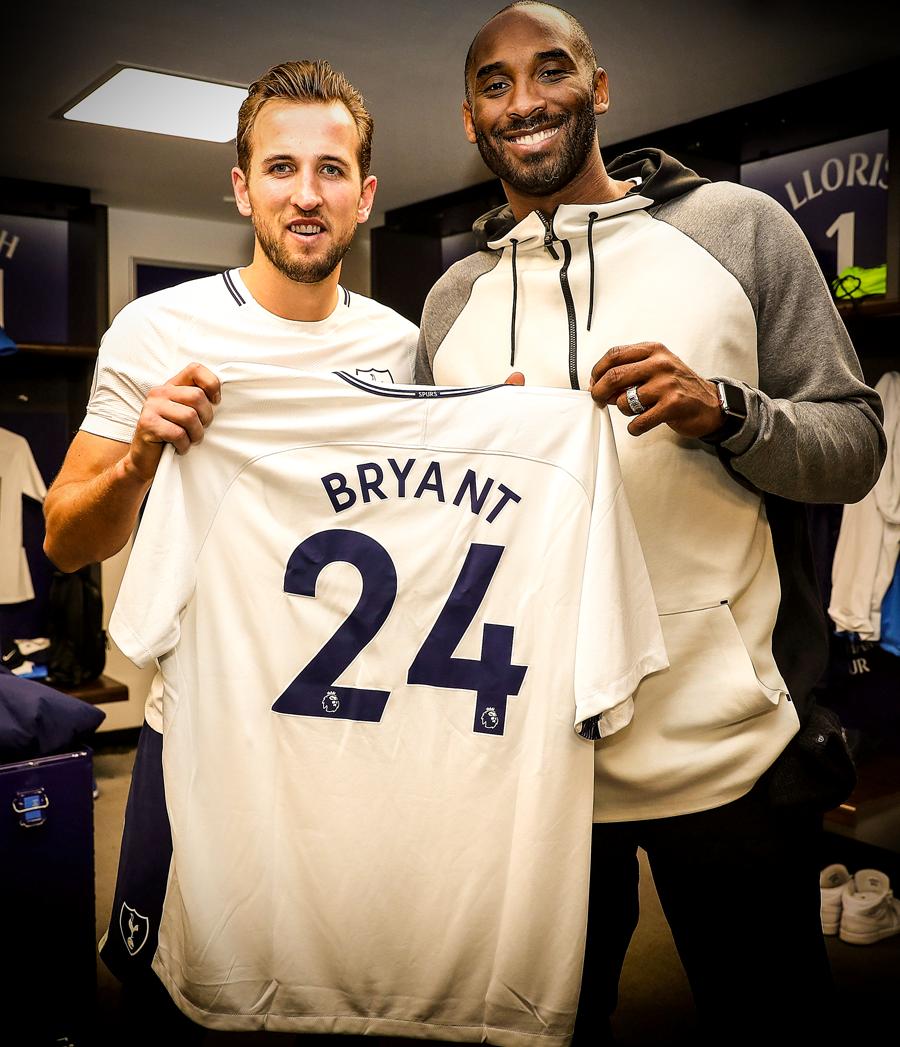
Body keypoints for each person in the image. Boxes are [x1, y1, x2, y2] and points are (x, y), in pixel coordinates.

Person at [416, 3, 885, 1043]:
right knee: (538, 1033)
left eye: (551, 71)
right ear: (469, 118)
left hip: (727, 753)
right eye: (494, 84)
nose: (524, 101)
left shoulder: (737, 230)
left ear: (600, 87)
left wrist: (729, 413)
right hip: (529, 769)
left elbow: (857, 445)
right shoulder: (451, 302)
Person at [43, 58, 417, 1041]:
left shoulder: (405, 350)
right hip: (203, 729)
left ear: (366, 194)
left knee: (346, 977)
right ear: (243, 188)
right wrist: (139, 459)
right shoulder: (157, 329)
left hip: (355, 731)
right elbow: (64, 539)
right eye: (281, 168)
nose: (307, 194)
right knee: (173, 992)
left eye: (332, 170)